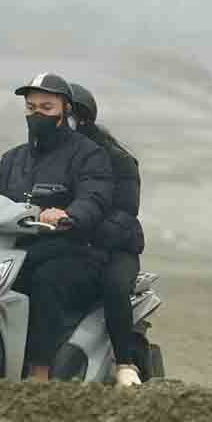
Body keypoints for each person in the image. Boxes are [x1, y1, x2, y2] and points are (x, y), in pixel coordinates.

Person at [0, 73, 113, 380]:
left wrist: (68, 214)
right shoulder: (12, 159)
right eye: (31, 108)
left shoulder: (88, 155)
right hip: (20, 252)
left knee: (44, 279)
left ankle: (39, 372)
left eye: (46, 106)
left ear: (65, 109)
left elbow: (95, 198)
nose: (37, 114)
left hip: (76, 252)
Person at [66, 82, 146, 387]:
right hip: (71, 242)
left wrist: (87, 234)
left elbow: (126, 210)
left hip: (117, 247)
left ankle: (125, 364)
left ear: (81, 119)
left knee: (114, 286)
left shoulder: (118, 160)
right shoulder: (54, 157)